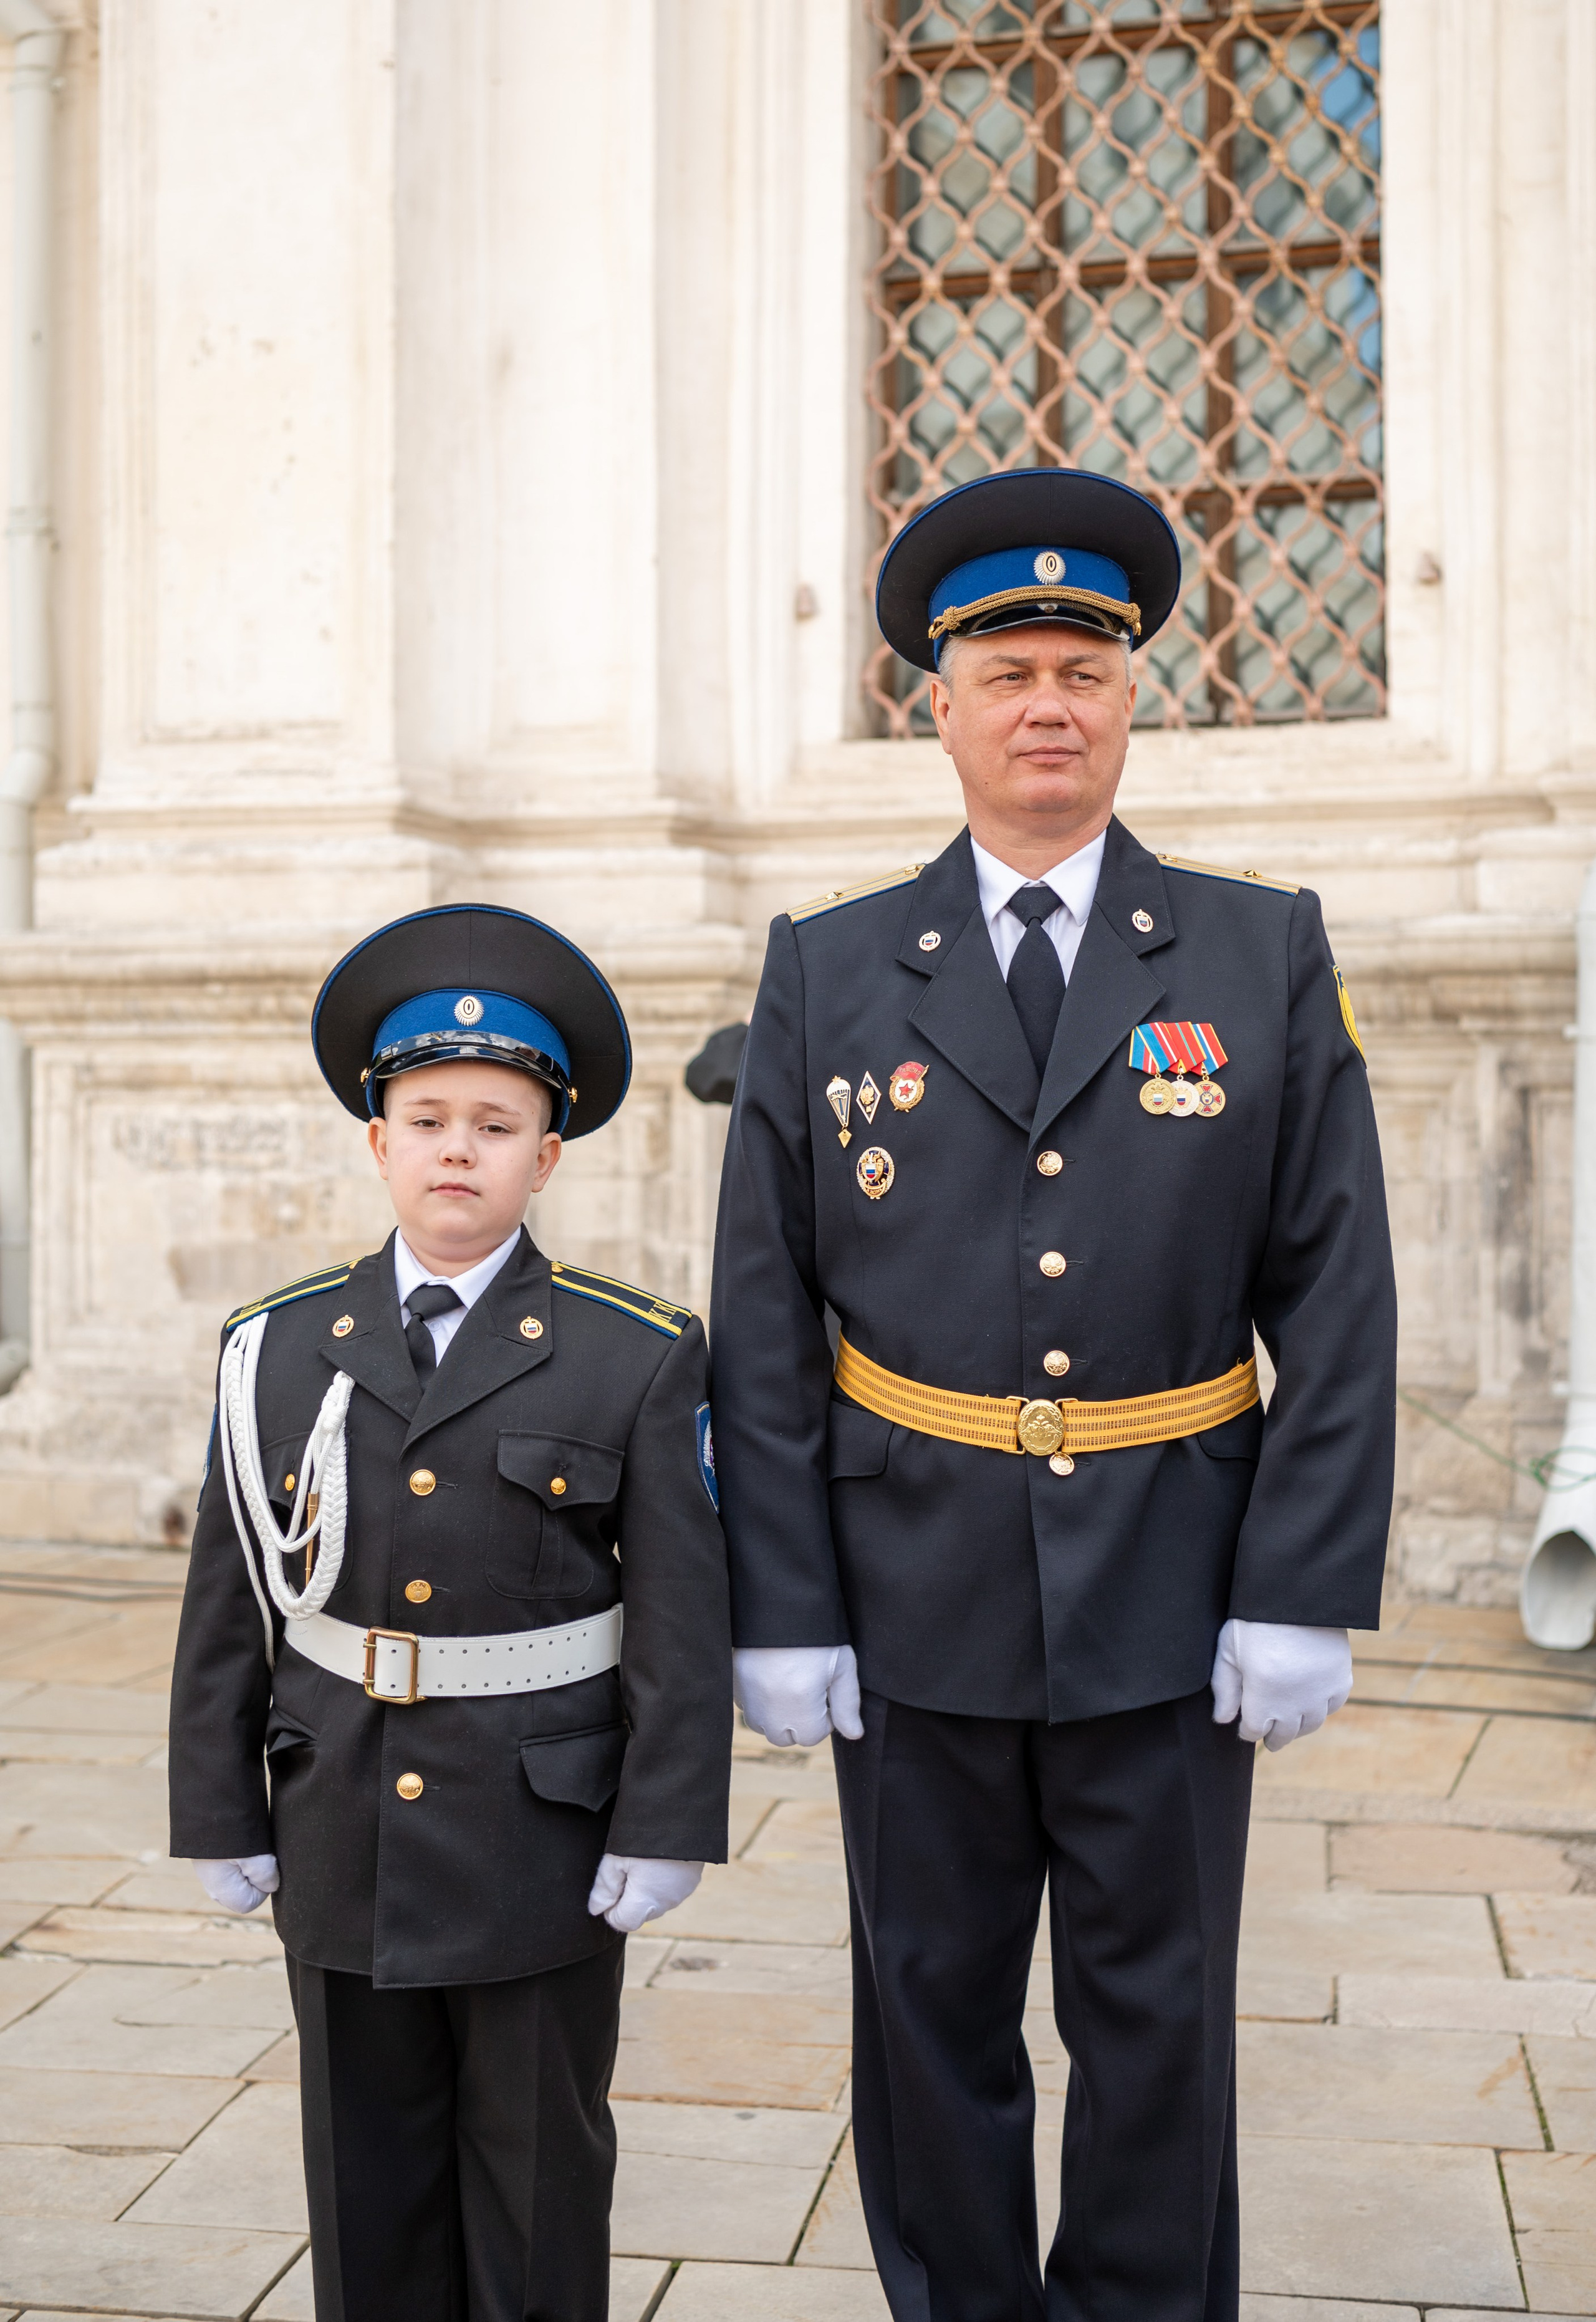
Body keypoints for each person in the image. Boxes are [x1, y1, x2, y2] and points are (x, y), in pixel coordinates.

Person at [710, 468, 1396, 2322]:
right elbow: (762, 1311)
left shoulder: (1256, 948)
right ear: (935, 705)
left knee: (1158, 2016)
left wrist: (1299, 1582)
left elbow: (1336, 1287)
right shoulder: (830, 965)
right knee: (926, 2010)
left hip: (1172, 1585)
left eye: (1081, 672)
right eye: (1006, 672)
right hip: (908, 1584)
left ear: (1130, 698)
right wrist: (782, 1601)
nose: (1046, 706)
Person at [168, 903, 731, 2322]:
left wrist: (667, 1818)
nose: (458, 1149)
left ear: (548, 1154)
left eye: (496, 1123)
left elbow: (678, 1611)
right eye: (427, 1120)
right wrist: (218, 1807)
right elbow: (230, 1597)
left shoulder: (632, 1352)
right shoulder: (274, 1346)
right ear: (378, 1142)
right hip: (339, 1815)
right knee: (364, 2183)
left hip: (539, 1836)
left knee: (538, 2179)